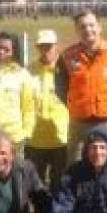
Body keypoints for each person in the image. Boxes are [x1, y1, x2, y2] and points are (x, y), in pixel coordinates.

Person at [55, 9, 107, 164]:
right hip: (79, 122)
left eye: (91, 25)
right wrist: (77, 104)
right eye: (82, 27)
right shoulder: (67, 56)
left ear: (100, 27)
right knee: (76, 163)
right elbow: (60, 88)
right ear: (77, 30)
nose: (87, 30)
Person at [26, 29, 69, 191]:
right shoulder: (29, 71)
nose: (45, 50)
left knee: (59, 183)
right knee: (36, 186)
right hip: (35, 138)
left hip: (61, 138)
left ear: (56, 46)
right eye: (42, 46)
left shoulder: (66, 71)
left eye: (49, 46)